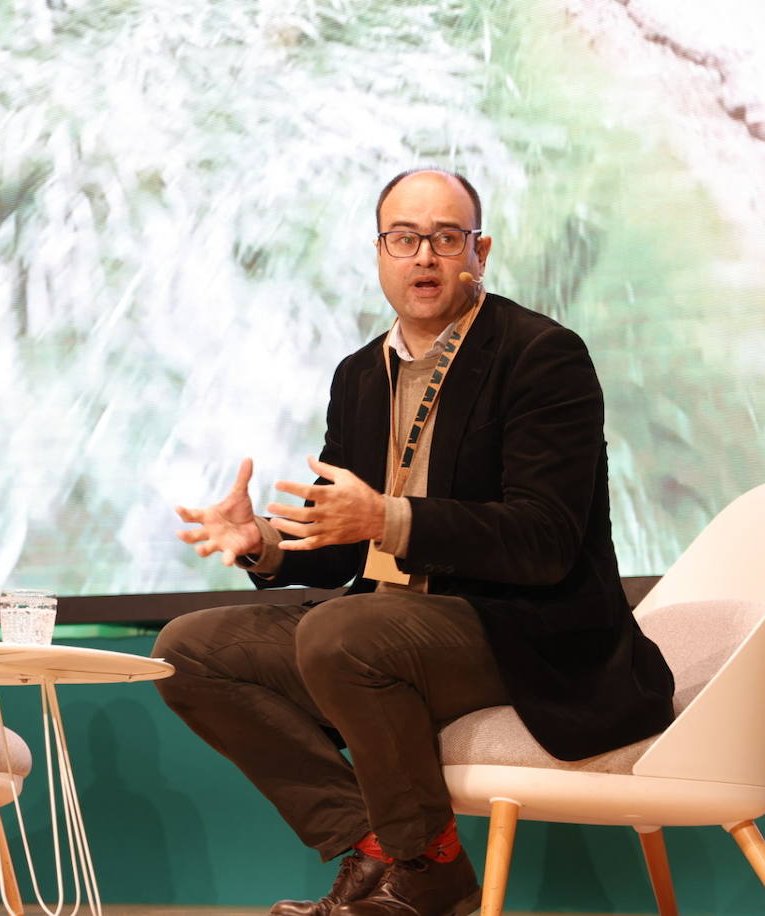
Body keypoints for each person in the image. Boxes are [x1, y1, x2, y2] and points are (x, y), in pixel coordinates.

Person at [154, 170, 675, 916]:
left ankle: (427, 881)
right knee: (188, 649)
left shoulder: (542, 355)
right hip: (381, 629)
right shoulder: (361, 374)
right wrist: (264, 542)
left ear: (480, 251)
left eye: (445, 238)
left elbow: (545, 541)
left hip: (522, 631)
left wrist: (388, 520)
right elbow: (340, 549)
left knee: (344, 632)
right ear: (379, 253)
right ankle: (381, 848)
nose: (424, 256)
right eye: (404, 238)